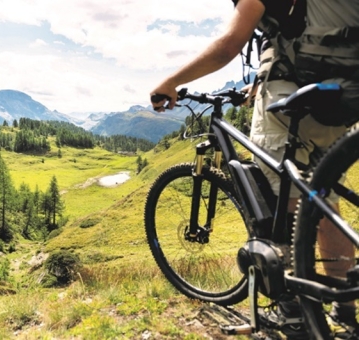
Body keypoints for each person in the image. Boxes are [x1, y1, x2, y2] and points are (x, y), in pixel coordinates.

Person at [150, 0, 357, 337]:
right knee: (323, 202)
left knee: (283, 202)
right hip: (338, 97)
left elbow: (229, 45)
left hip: (290, 109)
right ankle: (344, 309)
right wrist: (262, 80)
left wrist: (170, 82)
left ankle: (292, 310)